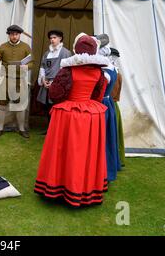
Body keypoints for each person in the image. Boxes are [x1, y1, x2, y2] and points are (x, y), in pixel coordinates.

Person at [34, 33, 110, 207]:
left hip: (68, 115)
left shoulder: (67, 70)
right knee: (85, 153)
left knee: (64, 151)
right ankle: (84, 187)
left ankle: (59, 186)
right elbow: (98, 96)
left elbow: (55, 94)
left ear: (76, 50)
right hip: (90, 116)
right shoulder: (99, 72)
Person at [0, 25, 34, 139]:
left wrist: (26, 66)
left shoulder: (26, 47)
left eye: (16, 34)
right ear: (9, 35)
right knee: (2, 104)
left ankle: (21, 128)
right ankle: (0, 128)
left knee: (20, 105)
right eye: (12, 34)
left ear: (19, 35)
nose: (14, 36)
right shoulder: (3, 46)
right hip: (5, 78)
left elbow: (32, 63)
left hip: (20, 79)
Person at [37, 29, 72, 129]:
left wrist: (55, 83)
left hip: (58, 85)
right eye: (51, 38)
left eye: (54, 38)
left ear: (60, 38)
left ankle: (57, 130)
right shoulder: (47, 53)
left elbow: (66, 71)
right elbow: (42, 67)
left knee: (57, 107)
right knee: (48, 107)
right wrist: (43, 80)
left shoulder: (66, 53)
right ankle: (49, 129)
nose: (52, 40)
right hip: (47, 84)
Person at [99, 43, 121, 182]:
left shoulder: (105, 72)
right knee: (108, 136)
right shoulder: (113, 69)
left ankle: (104, 169)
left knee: (103, 138)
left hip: (102, 104)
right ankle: (109, 166)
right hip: (108, 103)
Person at [109, 47, 125, 168]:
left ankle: (114, 161)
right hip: (112, 104)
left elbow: (115, 94)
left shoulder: (115, 74)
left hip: (111, 105)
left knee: (112, 134)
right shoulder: (116, 73)